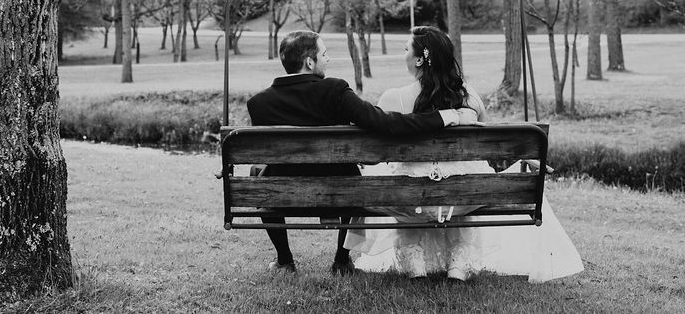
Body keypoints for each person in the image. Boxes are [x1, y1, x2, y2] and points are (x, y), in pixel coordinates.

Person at [345, 26, 584, 283]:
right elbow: (495, 152)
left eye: (405, 49)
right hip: (466, 197)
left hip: (407, 198)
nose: (402, 54)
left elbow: (372, 152)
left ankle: (415, 264)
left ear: (418, 60)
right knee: (466, 171)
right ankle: (457, 266)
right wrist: (525, 156)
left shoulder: (393, 98)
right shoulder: (470, 98)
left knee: (400, 174)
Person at [246, 30, 477, 276]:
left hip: (281, 193)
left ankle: (284, 260)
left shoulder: (259, 104)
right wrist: (446, 115)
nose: (328, 60)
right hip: (342, 190)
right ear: (310, 62)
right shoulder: (335, 91)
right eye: (324, 54)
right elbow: (386, 124)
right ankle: (341, 260)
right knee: (352, 172)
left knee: (258, 172)